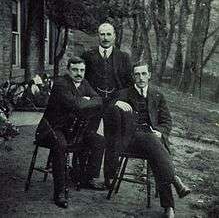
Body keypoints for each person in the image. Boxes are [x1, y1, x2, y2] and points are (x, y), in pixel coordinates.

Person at [108, 62, 191, 218]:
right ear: (133, 76)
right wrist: (116, 103)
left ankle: (169, 207)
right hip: (131, 140)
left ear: (149, 75)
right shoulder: (124, 93)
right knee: (155, 147)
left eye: (143, 74)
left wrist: (159, 132)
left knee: (156, 154)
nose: (140, 78)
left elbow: (167, 122)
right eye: (137, 74)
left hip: (153, 140)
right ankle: (174, 182)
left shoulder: (157, 95)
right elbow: (107, 109)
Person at [35, 56, 105, 208]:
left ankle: (86, 178)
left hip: (72, 130)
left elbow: (99, 100)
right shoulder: (61, 84)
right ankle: (59, 192)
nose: (79, 73)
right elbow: (76, 106)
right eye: (75, 70)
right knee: (61, 146)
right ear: (68, 70)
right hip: (52, 128)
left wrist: (85, 100)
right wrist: (86, 100)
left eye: (82, 70)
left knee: (98, 141)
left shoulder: (84, 83)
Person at [82, 22, 132, 188]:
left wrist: (118, 99)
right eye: (102, 34)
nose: (105, 38)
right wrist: (89, 97)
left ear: (114, 36)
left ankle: (110, 176)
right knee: (89, 136)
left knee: (113, 139)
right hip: (94, 102)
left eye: (109, 34)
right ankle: (86, 176)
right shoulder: (88, 56)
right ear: (98, 36)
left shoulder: (123, 57)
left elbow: (127, 84)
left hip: (114, 103)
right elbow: (82, 80)